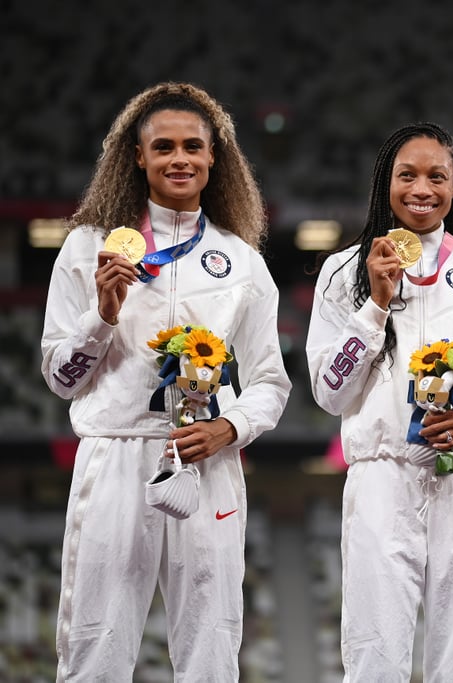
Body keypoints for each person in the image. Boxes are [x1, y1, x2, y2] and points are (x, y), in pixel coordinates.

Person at [40, 82, 292, 681]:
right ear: (137, 156)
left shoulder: (241, 260)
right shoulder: (87, 248)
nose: (179, 158)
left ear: (213, 157)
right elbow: (60, 377)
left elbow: (270, 381)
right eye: (164, 147)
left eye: (192, 147)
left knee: (211, 638)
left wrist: (230, 427)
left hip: (207, 462)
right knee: (96, 638)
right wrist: (101, 314)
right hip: (115, 453)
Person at [305, 122, 453, 681]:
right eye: (407, 175)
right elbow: (329, 393)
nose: (421, 189)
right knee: (374, 653)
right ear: (386, 182)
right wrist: (375, 306)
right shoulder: (342, 271)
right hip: (382, 477)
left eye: (437, 176)